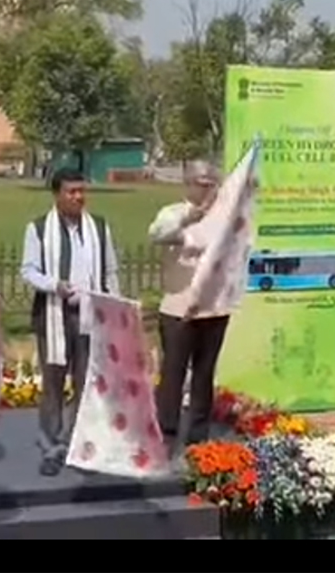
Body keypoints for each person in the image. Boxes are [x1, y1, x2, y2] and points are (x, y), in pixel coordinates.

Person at [20, 168, 120, 477]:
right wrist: (54, 285)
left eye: (81, 190)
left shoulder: (99, 228)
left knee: (85, 382)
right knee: (53, 383)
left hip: (90, 315)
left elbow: (110, 271)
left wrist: (114, 307)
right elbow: (28, 270)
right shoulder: (38, 229)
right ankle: (51, 445)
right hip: (54, 313)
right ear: (57, 194)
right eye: (71, 192)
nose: (78, 197)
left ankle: (78, 443)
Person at [148, 160, 228, 461]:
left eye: (211, 182)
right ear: (188, 182)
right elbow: (157, 234)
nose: (207, 188)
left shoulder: (222, 217)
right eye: (201, 182)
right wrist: (189, 219)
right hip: (178, 308)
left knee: (204, 374)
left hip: (214, 307)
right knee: (173, 373)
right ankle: (166, 433)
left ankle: (198, 437)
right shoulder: (172, 213)